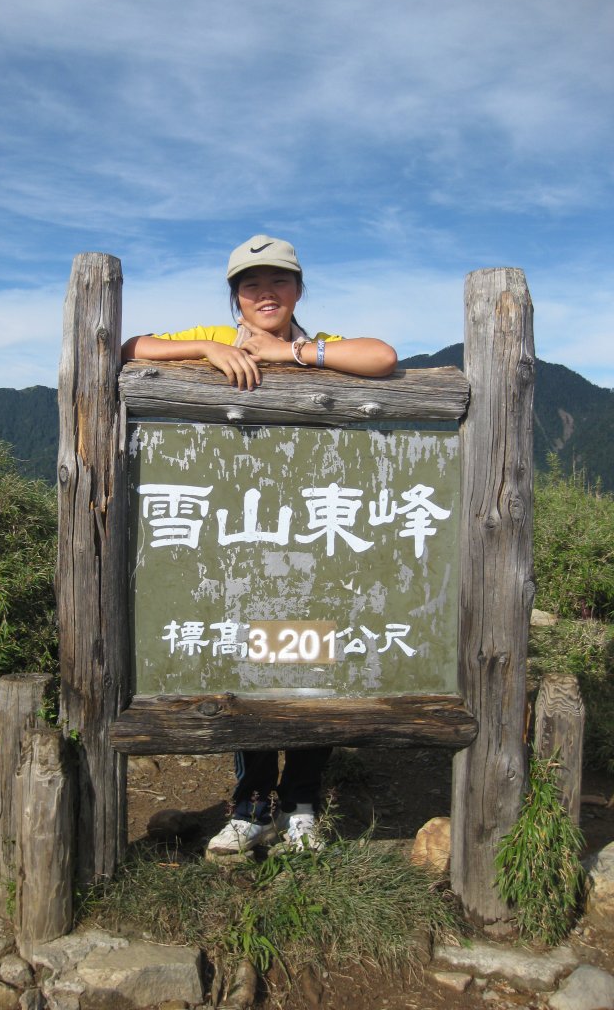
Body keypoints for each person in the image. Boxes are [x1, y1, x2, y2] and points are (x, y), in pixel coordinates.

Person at [122, 235, 397, 854]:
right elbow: (127, 348)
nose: (265, 293)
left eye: (278, 281)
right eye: (251, 284)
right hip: (239, 542)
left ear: (299, 289)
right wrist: (207, 350)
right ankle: (250, 803)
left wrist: (294, 352)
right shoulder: (213, 337)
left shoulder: (318, 340)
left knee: (308, 664)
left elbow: (382, 358)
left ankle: (301, 802)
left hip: (310, 538)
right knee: (245, 663)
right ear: (234, 296)